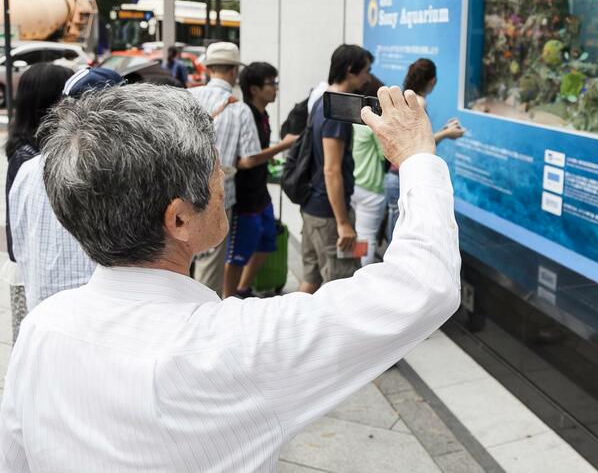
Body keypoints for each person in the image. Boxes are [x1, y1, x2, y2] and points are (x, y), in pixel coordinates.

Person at [0, 83, 459, 471]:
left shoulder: (43, 326)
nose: (222, 179)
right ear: (178, 220)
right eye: (213, 170)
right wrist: (417, 156)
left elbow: (14, 458)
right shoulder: (232, 345)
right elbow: (424, 284)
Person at [7, 67, 124, 313]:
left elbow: (17, 246)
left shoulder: (29, 169)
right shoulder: (121, 172)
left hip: (44, 309)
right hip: (99, 314)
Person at [189, 42, 297, 295]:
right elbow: (247, 159)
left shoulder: (189, 96)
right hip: (218, 192)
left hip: (182, 188)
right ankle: (204, 316)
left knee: (183, 256)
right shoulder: (238, 108)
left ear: (209, 68)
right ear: (233, 72)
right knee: (210, 261)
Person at [3, 63, 73, 341]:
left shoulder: (27, 148)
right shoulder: (29, 157)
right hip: (32, 274)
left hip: (33, 270)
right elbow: (15, 234)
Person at [300, 44, 372, 294]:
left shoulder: (321, 100)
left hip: (313, 209)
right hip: (329, 215)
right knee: (342, 285)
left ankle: (293, 331)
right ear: (351, 71)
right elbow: (332, 170)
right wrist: (343, 223)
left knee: (311, 279)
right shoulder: (337, 111)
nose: (368, 77)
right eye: (366, 71)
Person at [385, 58, 465, 242]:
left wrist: (444, 130)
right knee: (401, 240)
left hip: (393, 176)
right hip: (404, 178)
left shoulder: (404, 98)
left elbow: (412, 138)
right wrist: (447, 134)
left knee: (395, 232)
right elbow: (418, 144)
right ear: (433, 81)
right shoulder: (419, 102)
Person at [225, 62, 281, 298]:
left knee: (268, 241)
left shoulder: (263, 114)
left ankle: (243, 289)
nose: (275, 89)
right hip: (244, 196)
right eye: (271, 84)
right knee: (237, 253)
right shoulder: (243, 114)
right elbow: (245, 160)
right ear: (255, 89)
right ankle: (228, 300)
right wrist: (283, 147)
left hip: (261, 194)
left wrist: (268, 157)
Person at [350, 76, 387, 266]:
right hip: (371, 189)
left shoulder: (351, 121)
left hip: (353, 186)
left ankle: (356, 267)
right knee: (367, 237)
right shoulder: (372, 126)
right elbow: (385, 155)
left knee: (359, 234)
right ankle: (364, 276)